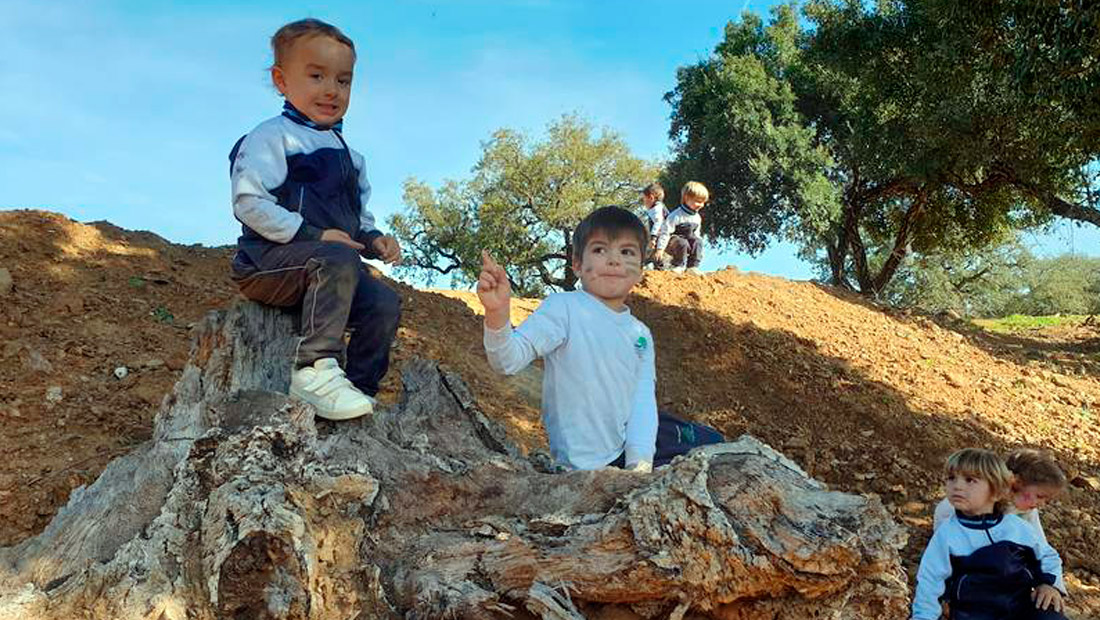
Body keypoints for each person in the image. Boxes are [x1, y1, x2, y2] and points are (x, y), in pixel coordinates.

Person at [227, 18, 402, 421]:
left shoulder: (350, 157)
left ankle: (358, 387)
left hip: (329, 270)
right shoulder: (271, 137)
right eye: (316, 75)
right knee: (336, 259)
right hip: (269, 263)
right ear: (281, 80)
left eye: (343, 81)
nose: (331, 90)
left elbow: (357, 220)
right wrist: (313, 234)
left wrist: (375, 240)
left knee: (384, 302)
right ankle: (312, 369)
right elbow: (249, 203)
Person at [477, 206, 658, 471]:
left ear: (640, 268)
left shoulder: (641, 334)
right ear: (577, 264)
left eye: (627, 252)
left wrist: (640, 465)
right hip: (581, 468)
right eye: (599, 250)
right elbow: (507, 361)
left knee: (704, 442)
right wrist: (497, 312)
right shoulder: (564, 308)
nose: (614, 260)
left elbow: (642, 401)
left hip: (628, 455)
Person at [912, 448, 1067, 620]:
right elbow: (930, 581)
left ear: (998, 490)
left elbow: (1046, 555)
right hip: (975, 610)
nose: (957, 486)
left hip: (1018, 605)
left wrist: (1049, 584)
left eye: (970, 480)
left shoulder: (1016, 527)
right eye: (951, 478)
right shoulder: (947, 534)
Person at [654, 181, 708, 274]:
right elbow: (665, 232)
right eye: (698, 201)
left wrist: (698, 249)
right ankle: (678, 265)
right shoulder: (676, 215)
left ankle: (692, 266)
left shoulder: (697, 217)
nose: (701, 205)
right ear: (686, 198)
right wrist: (660, 249)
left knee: (698, 241)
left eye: (703, 202)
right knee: (682, 242)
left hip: (688, 241)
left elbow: (696, 234)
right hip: (673, 242)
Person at [641, 182, 668, 268]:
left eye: (644, 199)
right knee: (653, 253)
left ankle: (657, 267)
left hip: (661, 235)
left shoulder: (656, 208)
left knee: (653, 252)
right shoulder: (659, 207)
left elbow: (658, 222)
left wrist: (653, 237)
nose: (644, 202)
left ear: (651, 198)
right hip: (661, 234)